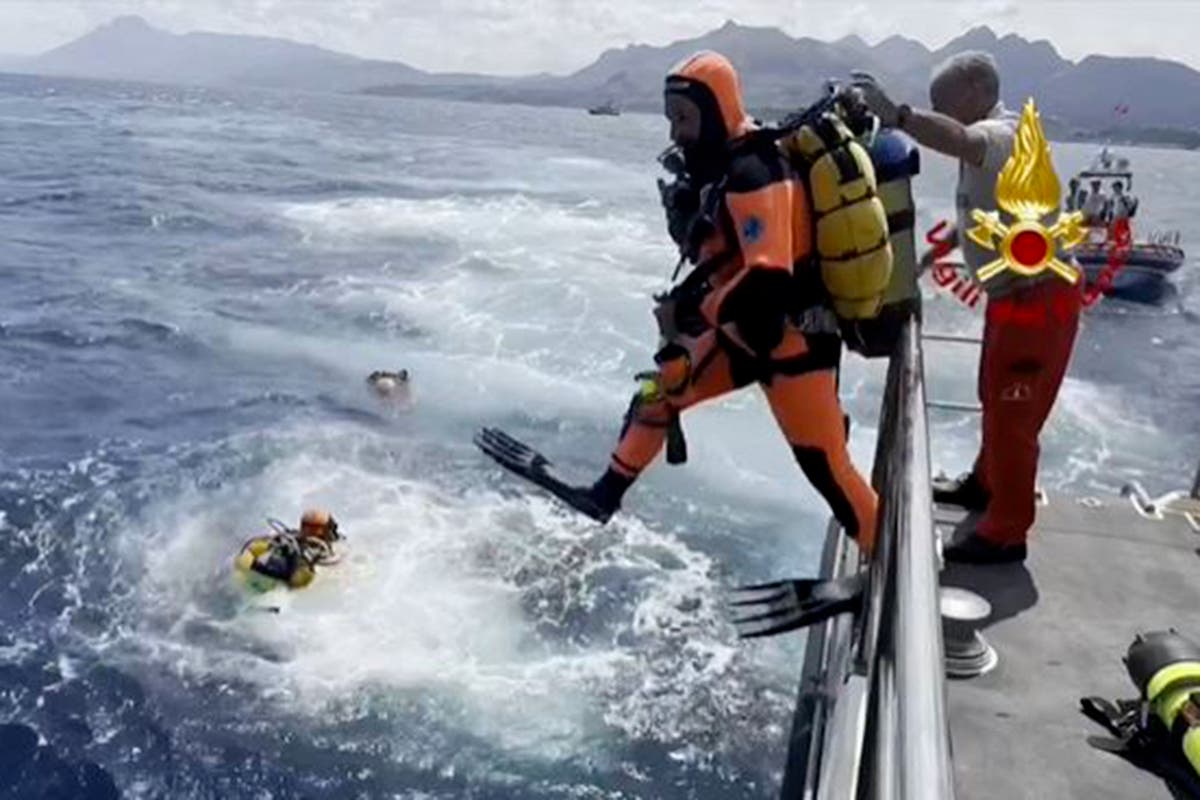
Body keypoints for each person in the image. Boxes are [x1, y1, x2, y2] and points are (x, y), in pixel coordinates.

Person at [478, 51, 878, 555]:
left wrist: (695, 313)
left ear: (717, 110)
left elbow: (769, 277)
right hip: (750, 333)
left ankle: (881, 554)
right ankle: (604, 495)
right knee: (660, 390)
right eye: (672, 119)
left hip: (793, 339)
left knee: (826, 466)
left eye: (685, 119)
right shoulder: (727, 167)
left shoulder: (757, 171)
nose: (676, 133)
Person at [854, 52, 1082, 564]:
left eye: (944, 104)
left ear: (978, 90)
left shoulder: (1001, 135)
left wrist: (900, 117)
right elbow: (984, 212)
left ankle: (1006, 532)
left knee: (1013, 414)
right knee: (995, 399)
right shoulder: (996, 148)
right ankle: (984, 485)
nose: (942, 114)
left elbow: (960, 140)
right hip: (1014, 300)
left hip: (1038, 300)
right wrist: (934, 253)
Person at [234, 508, 342, 591]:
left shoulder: (288, 539)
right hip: (272, 581)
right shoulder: (304, 552)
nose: (332, 533)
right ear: (320, 531)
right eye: (328, 528)